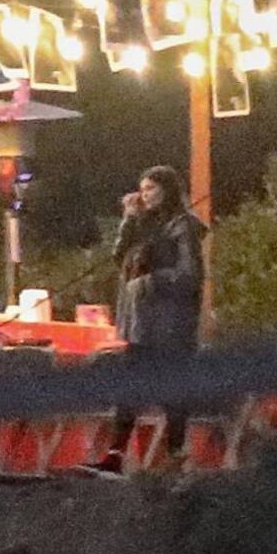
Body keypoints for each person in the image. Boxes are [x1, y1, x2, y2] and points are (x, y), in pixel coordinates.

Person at [81, 165, 208, 477]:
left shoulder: (183, 227)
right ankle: (115, 455)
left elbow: (190, 275)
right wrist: (128, 219)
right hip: (141, 326)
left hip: (171, 328)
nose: (146, 195)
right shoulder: (142, 224)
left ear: (167, 189)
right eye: (142, 189)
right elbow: (119, 256)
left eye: (151, 188)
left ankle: (175, 458)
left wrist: (152, 282)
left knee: (173, 395)